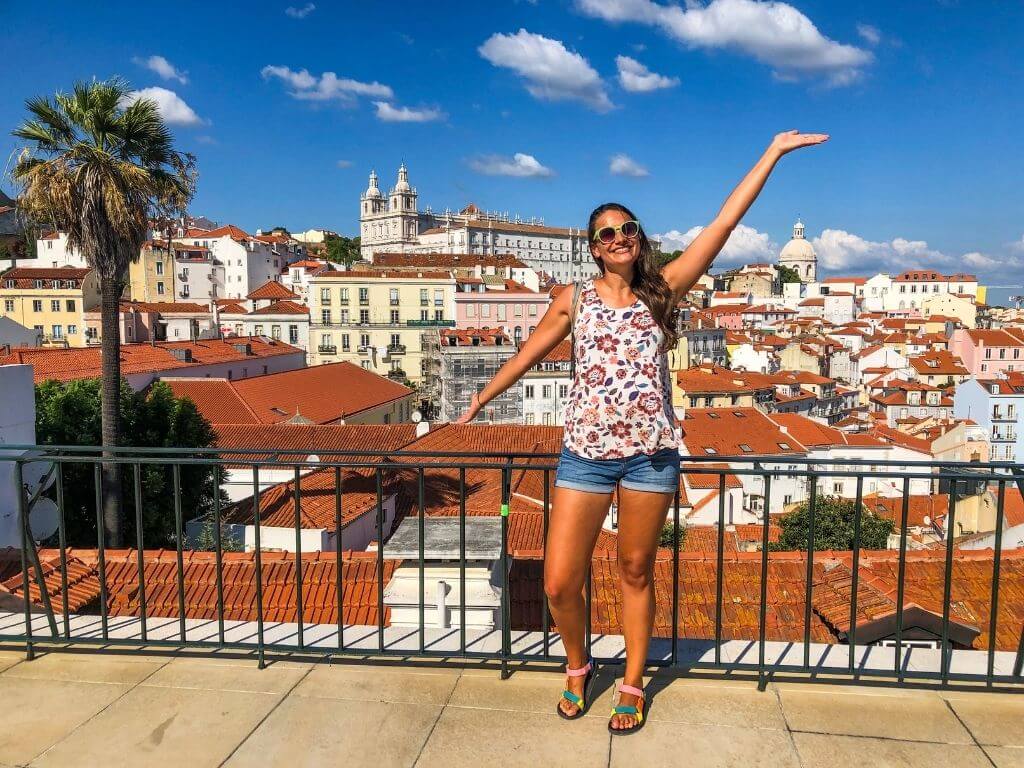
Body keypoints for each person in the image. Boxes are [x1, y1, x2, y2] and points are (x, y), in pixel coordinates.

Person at [456, 130, 829, 734]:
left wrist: (772, 153)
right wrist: (481, 399)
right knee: (558, 581)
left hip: (650, 457)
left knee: (635, 570)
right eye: (607, 233)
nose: (619, 237)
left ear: (639, 238)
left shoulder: (665, 290)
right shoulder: (573, 299)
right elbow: (527, 354)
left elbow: (723, 224)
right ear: (594, 249)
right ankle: (577, 666)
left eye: (627, 228)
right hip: (585, 455)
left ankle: (631, 684)